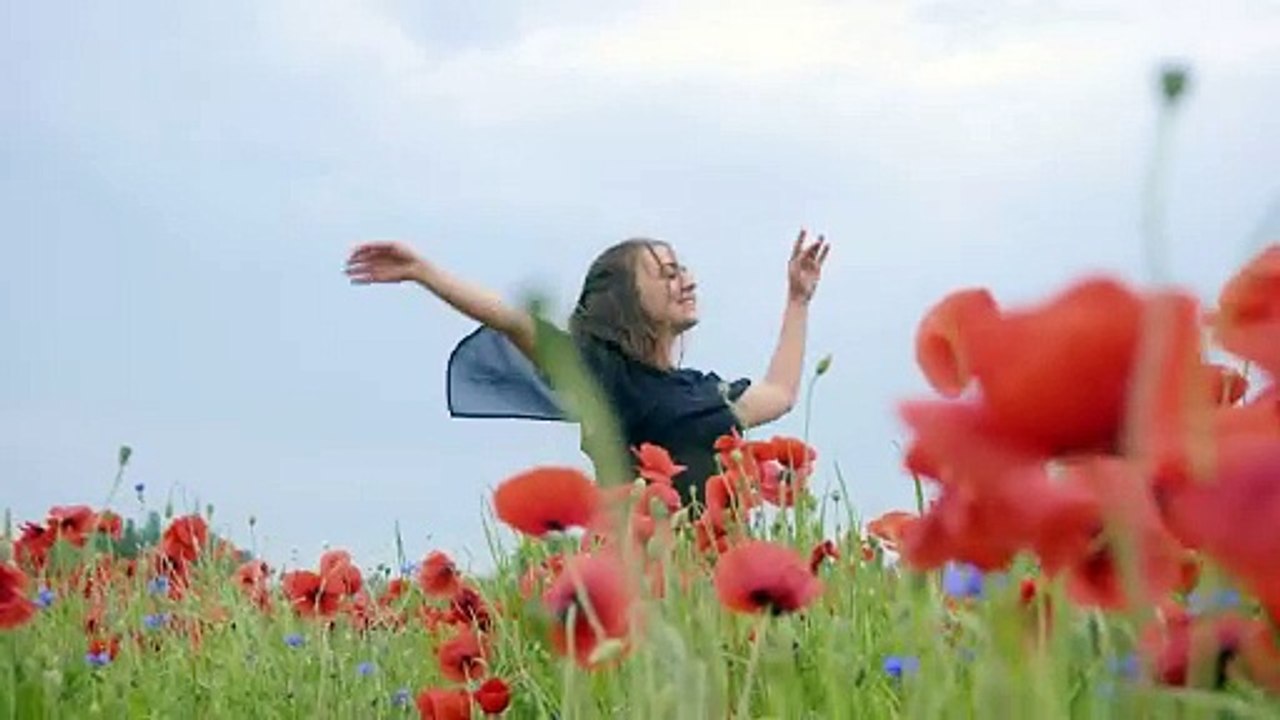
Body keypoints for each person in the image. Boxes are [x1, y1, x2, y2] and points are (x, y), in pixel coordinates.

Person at [344, 231, 830, 504]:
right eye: (667, 273)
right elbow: (515, 321)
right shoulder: (606, 380)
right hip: (647, 584)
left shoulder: (701, 389)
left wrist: (798, 299)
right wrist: (424, 272)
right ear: (625, 299)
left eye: (683, 269)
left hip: (719, 582)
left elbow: (780, 393)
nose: (687, 280)